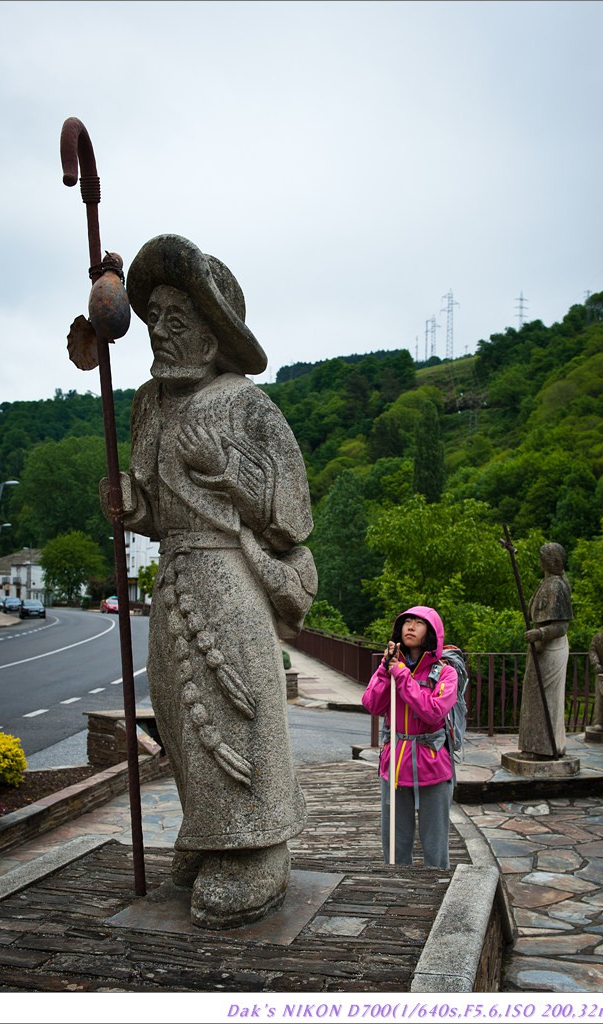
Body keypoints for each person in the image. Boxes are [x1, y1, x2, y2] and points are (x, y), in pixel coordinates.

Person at [102, 234, 318, 928]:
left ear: (211, 328)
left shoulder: (247, 405)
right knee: (179, 709)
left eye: (176, 315)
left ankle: (257, 848)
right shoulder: (148, 404)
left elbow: (290, 515)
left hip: (230, 576)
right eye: (153, 315)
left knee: (236, 705)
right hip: (175, 577)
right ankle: (209, 832)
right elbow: (149, 505)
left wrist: (228, 469)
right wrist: (126, 503)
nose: (159, 329)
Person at [361, 606, 457, 868]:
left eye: (418, 623)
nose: (410, 627)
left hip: (432, 764)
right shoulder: (391, 668)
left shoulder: (445, 672)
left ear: (431, 632)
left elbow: (433, 711)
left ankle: (435, 889)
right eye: (406, 622)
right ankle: (397, 890)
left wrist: (401, 673)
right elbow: (371, 703)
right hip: (395, 764)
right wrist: (384, 669)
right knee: (394, 843)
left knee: (435, 843)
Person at [518, 542, 573, 759]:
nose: (539, 561)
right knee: (534, 698)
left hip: (551, 649)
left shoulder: (558, 586)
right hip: (540, 648)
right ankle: (534, 746)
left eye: (542, 557)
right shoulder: (547, 583)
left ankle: (546, 749)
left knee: (546, 700)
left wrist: (540, 634)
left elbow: (561, 626)